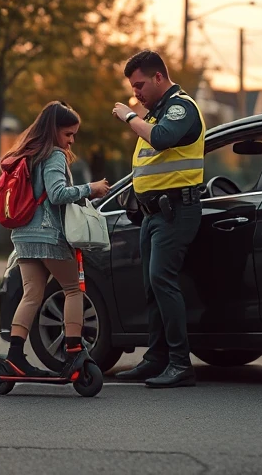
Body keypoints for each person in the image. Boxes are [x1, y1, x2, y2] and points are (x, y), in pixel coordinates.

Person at [110, 50, 204, 389]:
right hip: (154, 215)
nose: (135, 93)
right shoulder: (155, 114)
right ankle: (156, 359)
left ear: (159, 78)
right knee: (152, 286)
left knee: (163, 282)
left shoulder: (181, 108)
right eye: (133, 87)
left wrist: (128, 117)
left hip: (176, 211)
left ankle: (180, 364)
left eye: (139, 85)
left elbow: (163, 141)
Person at [0, 101, 110, 378]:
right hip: (49, 236)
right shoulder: (54, 155)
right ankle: (74, 351)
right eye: (68, 134)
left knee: (32, 295)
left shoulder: (24, 153)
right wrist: (91, 189)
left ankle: (14, 356)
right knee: (73, 290)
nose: (71, 140)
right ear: (54, 131)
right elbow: (58, 194)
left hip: (23, 236)